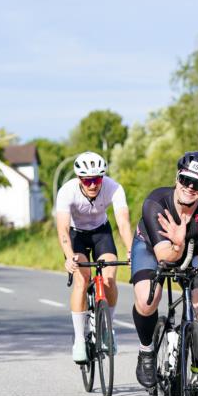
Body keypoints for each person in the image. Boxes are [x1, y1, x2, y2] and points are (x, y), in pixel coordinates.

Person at [130, 151, 198, 391]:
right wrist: (178, 244)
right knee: (148, 300)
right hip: (152, 247)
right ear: (177, 177)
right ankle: (146, 352)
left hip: (193, 250)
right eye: (185, 180)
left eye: (197, 185)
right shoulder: (156, 202)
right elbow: (165, 257)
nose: (189, 187)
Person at [55, 152, 133, 363]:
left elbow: (123, 223)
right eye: (87, 180)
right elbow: (62, 229)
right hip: (76, 234)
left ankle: (108, 329)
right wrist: (70, 256)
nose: (92, 185)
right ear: (79, 179)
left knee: (109, 278)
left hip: (101, 233)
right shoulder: (67, 191)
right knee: (82, 279)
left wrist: (130, 249)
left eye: (97, 179)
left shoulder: (113, 187)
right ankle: (80, 340)